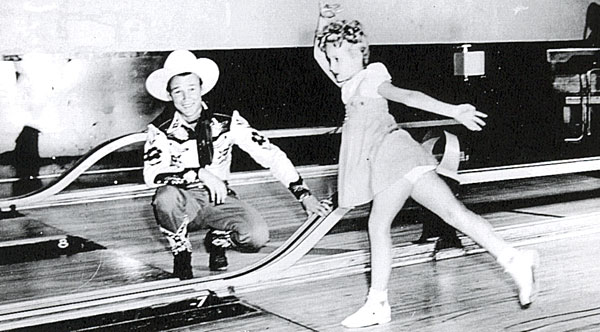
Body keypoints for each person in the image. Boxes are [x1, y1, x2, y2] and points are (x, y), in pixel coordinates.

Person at [313, 3, 540, 328]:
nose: (332, 66)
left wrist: (453, 111)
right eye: (331, 59)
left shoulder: (370, 77)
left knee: (378, 225)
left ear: (359, 53)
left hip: (392, 154)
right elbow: (318, 55)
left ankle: (377, 303)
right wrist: (324, 19)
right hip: (403, 156)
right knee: (453, 214)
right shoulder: (348, 85)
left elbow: (408, 96)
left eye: (339, 59)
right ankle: (516, 259)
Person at [143, 50, 330, 280]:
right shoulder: (159, 129)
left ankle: (218, 239)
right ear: (169, 95)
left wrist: (304, 194)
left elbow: (271, 155)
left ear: (202, 89)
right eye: (177, 91)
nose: (186, 98)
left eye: (191, 88)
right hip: (183, 202)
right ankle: (181, 251)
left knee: (257, 236)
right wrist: (199, 174)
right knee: (165, 198)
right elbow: (152, 175)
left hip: (220, 199)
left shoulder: (227, 121)